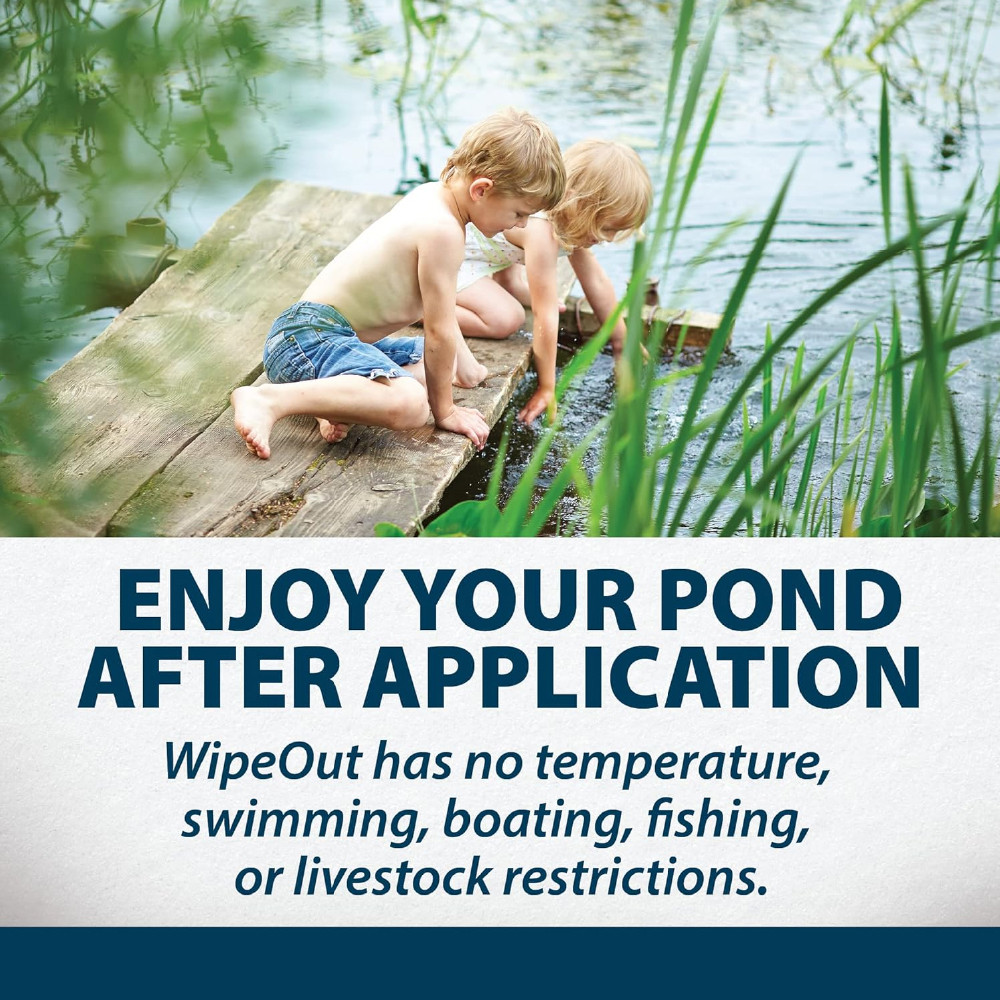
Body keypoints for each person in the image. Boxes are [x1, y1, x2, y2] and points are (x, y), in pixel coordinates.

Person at [232, 108, 566, 459]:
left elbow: (443, 322)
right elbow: (437, 332)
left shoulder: (431, 196)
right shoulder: (444, 233)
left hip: (320, 338)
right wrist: (446, 412)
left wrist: (467, 368)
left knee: (439, 367)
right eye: (519, 213)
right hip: (307, 342)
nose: (525, 226)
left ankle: (329, 401)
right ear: (481, 190)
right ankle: (265, 399)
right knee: (411, 405)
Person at [455, 138, 653, 424]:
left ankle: (505, 284)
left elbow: (595, 280)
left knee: (524, 294)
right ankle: (425, 306)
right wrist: (548, 387)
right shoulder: (541, 230)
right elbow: (545, 316)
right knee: (506, 319)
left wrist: (622, 342)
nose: (607, 239)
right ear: (578, 203)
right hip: (455, 260)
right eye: (607, 228)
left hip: (488, 253)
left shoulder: (569, 220)